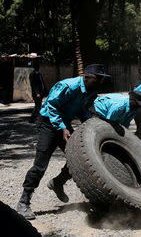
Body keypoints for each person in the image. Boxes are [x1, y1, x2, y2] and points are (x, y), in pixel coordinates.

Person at [16, 64, 110, 220]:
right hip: (48, 123)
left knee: (79, 158)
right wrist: (62, 128)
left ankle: (58, 182)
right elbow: (51, 106)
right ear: (87, 77)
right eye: (98, 79)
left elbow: (81, 110)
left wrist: (88, 124)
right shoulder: (68, 86)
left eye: (102, 79)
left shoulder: (90, 91)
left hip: (64, 124)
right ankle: (23, 201)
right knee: (40, 165)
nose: (100, 82)